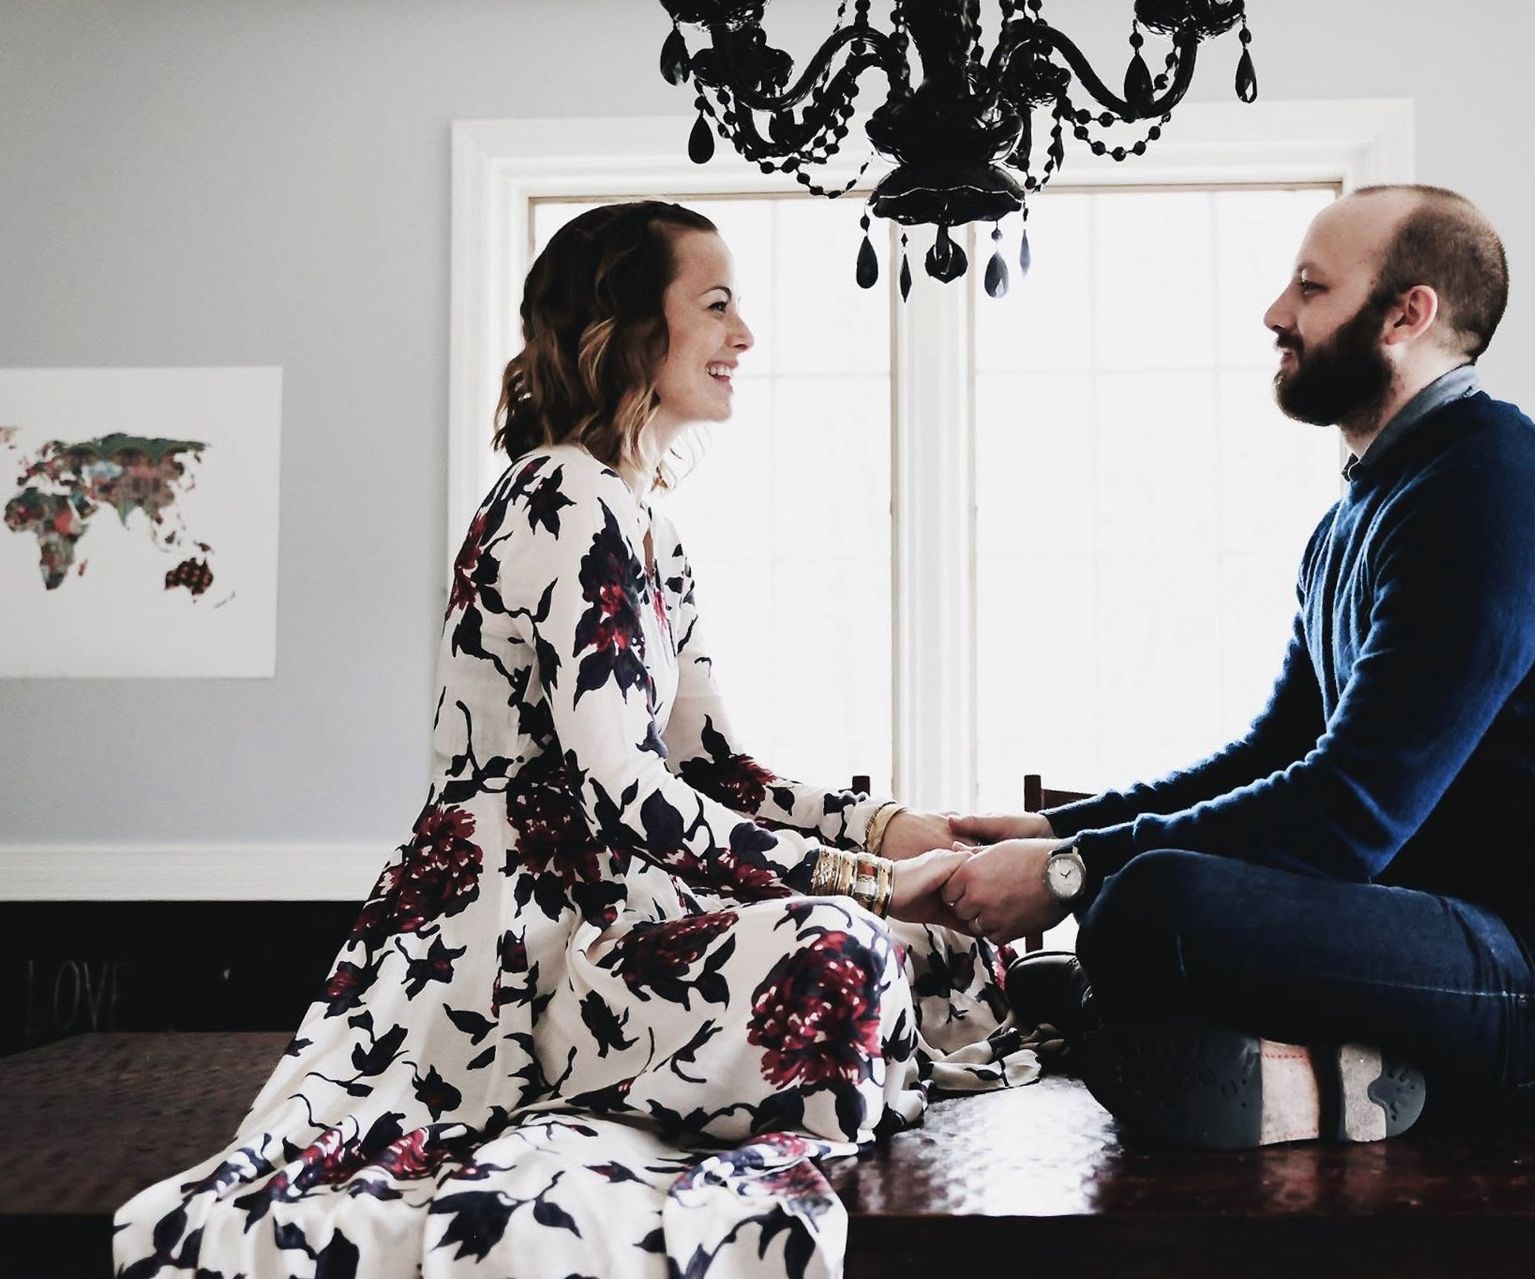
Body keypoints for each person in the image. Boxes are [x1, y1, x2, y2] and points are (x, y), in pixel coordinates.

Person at [115, 200, 1030, 1278]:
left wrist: (893, 828)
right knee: (847, 952)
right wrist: (872, 881)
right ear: (629, 325)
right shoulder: (562, 494)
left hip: (615, 911)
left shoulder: (651, 523)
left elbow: (712, 770)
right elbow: (625, 790)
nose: (746, 337)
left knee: (947, 944)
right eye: (719, 305)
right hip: (516, 938)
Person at [943, 184, 1535, 1149]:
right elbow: (1270, 758)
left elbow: (1347, 811)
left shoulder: (1490, 487)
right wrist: (1053, 827)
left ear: (1408, 315)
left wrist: (1073, 873)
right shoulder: (1361, 516)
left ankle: (1324, 1077)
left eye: (1311, 289)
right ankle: (1341, 1074)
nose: (1276, 312)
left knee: (1146, 909)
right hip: (1492, 941)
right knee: (1134, 910)